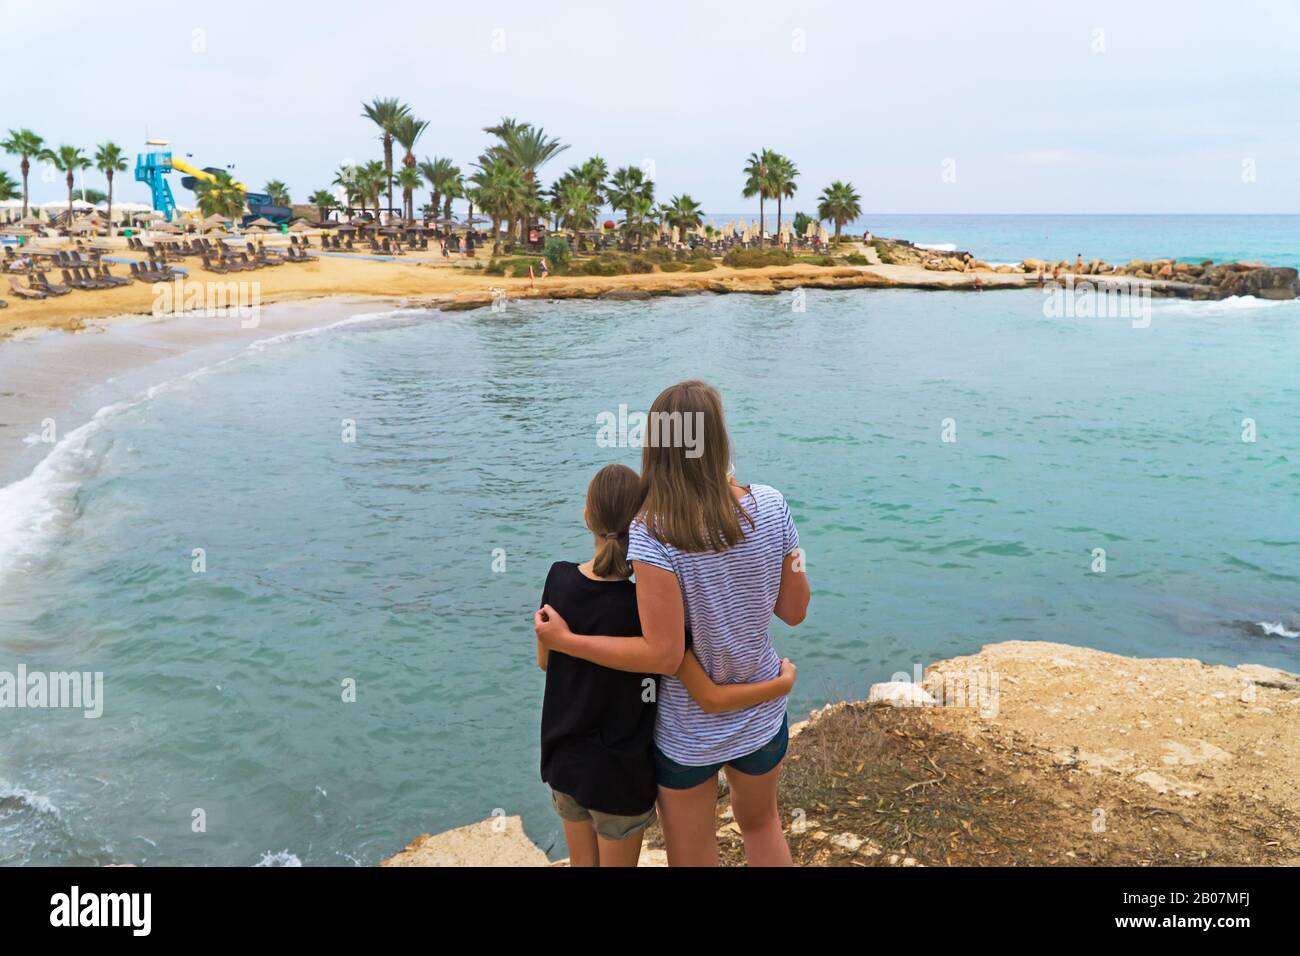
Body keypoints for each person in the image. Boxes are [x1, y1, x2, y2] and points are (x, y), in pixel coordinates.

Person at [536, 381, 810, 867]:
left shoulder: (652, 531)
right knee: (763, 825)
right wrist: (782, 554)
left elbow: (663, 654)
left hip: (688, 731)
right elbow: (793, 610)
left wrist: (569, 642)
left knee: (694, 855)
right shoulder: (771, 504)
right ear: (719, 440)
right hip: (762, 706)